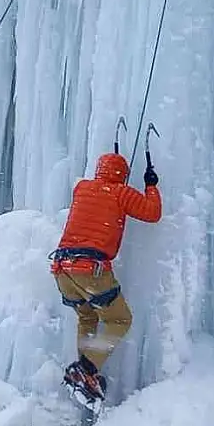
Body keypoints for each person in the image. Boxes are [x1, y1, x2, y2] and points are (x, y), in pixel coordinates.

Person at [50, 151, 161, 402]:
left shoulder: (82, 188)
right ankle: (86, 370)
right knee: (119, 319)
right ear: (122, 175)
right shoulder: (120, 192)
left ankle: (85, 372)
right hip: (90, 271)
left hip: (62, 270)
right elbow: (152, 213)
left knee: (87, 317)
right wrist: (150, 185)